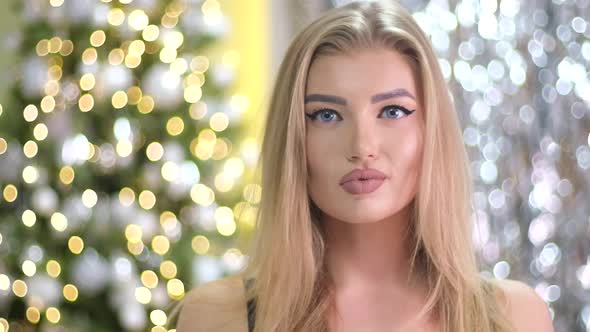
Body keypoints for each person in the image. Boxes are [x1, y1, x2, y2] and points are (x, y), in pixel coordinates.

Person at [173, 1, 555, 331]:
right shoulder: (218, 317)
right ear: (292, 139)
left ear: (431, 130)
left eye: (392, 111)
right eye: (325, 115)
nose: (361, 147)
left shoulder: (513, 317)